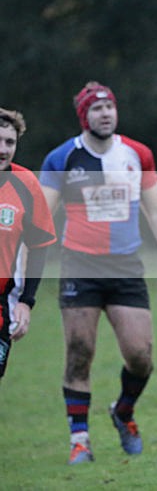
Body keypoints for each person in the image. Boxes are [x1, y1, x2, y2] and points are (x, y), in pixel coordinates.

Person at [39, 82, 157, 464]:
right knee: (80, 352)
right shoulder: (63, 159)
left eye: (110, 106)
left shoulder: (136, 154)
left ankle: (123, 411)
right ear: (84, 116)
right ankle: (80, 440)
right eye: (96, 109)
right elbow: (41, 219)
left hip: (126, 268)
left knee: (141, 356)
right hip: (80, 267)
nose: (105, 113)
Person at [0, 107, 57, 384]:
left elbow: (40, 245)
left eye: (9, 142)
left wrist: (26, 302)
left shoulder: (25, 184)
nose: (3, 149)